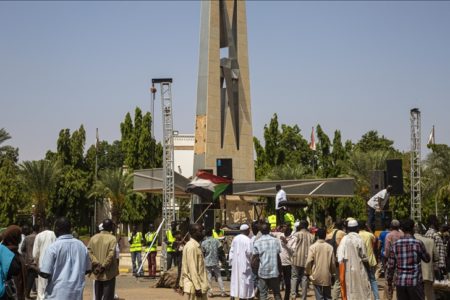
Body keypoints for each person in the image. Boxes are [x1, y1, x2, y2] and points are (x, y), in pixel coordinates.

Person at [39, 217, 91, 299]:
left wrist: (33, 268)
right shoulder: (81, 246)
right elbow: (88, 269)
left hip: (56, 295)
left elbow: (45, 273)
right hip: (76, 295)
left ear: (56, 229)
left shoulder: (53, 247)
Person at [387, 219, 430, 300]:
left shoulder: (395, 245)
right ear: (413, 228)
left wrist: (389, 282)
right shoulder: (418, 243)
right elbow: (427, 259)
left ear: (402, 229)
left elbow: (391, 266)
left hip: (400, 283)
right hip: (415, 283)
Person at [336, 219, 371, 300]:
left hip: (347, 270)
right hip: (359, 269)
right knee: (362, 289)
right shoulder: (359, 239)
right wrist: (368, 269)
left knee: (350, 291)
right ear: (357, 228)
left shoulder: (344, 239)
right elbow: (364, 257)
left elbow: (339, 255)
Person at [88, 219, 118, 300]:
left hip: (97, 272)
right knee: (108, 297)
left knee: (97, 296)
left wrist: (96, 263)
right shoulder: (112, 239)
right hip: (108, 273)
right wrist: (103, 266)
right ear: (110, 227)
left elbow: (89, 252)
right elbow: (111, 255)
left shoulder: (93, 238)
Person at [253, 222, 282, 300]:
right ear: (269, 230)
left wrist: (255, 272)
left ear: (261, 231)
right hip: (274, 272)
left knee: (263, 294)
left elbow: (255, 259)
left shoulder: (257, 242)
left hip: (262, 272)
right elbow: (278, 257)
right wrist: (280, 270)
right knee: (277, 293)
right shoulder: (276, 241)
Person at [305, 228, 336, 300]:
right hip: (327, 275)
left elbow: (309, 261)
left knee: (319, 297)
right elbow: (333, 263)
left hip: (316, 275)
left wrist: (308, 272)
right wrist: (333, 274)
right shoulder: (330, 247)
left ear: (317, 236)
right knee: (328, 297)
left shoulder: (312, 247)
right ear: (325, 236)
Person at [180, 223, 208, 300]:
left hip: (198, 284)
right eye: (201, 231)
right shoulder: (191, 247)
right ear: (194, 233)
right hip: (194, 287)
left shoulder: (196, 245)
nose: (203, 233)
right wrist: (197, 287)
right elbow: (192, 269)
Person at [290, 220, 314, 300]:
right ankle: (304, 297)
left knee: (294, 277)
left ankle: (293, 295)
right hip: (307, 260)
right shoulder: (311, 236)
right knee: (305, 278)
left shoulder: (296, 234)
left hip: (296, 259)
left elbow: (291, 246)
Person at [229, 224, 254, 300]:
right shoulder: (248, 240)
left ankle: (234, 296)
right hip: (245, 265)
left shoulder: (235, 238)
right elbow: (250, 253)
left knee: (236, 281)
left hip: (236, 265)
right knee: (245, 282)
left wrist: (231, 262)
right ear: (247, 230)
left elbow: (231, 251)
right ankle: (243, 297)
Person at [414, 223, 439, 300]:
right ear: (422, 231)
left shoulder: (410, 241)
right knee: (429, 295)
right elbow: (436, 257)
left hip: (414, 275)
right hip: (428, 273)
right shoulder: (430, 241)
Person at [1, 225, 26, 300]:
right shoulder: (7, 253)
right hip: (10, 294)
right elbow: (14, 270)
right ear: (14, 237)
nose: (21, 238)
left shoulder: (9, 250)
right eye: (19, 236)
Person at [32, 226, 56, 300]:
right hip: (54, 264)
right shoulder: (55, 234)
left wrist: (35, 261)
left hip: (42, 265)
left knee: (42, 287)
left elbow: (35, 254)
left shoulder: (39, 236)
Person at [201, 228, 226, 297]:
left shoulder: (203, 242)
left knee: (208, 277)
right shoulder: (216, 241)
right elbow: (221, 250)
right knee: (219, 276)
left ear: (205, 234)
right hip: (215, 260)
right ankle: (223, 292)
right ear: (212, 234)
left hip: (207, 261)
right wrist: (222, 260)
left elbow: (203, 252)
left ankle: (210, 292)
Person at [358, 221, 379, 300]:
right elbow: (375, 239)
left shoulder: (357, 236)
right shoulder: (369, 234)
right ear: (365, 227)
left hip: (362, 262)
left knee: (363, 281)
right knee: (373, 280)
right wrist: (369, 228)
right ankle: (377, 298)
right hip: (371, 260)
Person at [325, 220, 346, 300]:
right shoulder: (341, 233)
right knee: (338, 281)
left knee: (332, 281)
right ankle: (334, 298)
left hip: (329, 260)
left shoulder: (329, 232)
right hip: (338, 261)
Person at [272, 224, 294, 300]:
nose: (283, 228)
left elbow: (293, 251)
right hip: (278, 263)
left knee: (287, 283)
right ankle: (278, 297)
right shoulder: (279, 234)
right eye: (283, 226)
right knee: (277, 282)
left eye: (285, 226)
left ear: (289, 228)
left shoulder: (293, 238)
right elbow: (269, 233)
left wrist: (286, 242)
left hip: (288, 263)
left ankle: (286, 298)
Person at [20, 224, 39, 299]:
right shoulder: (39, 237)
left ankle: (27, 295)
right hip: (37, 261)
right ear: (39, 229)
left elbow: (22, 249)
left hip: (29, 262)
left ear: (32, 229)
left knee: (29, 279)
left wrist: (26, 257)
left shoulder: (27, 238)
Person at [425, 214, 446, 280]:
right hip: (436, 270)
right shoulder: (436, 236)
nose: (438, 224)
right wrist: (442, 269)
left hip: (427, 268)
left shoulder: (425, 235)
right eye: (437, 222)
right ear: (433, 223)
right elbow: (440, 254)